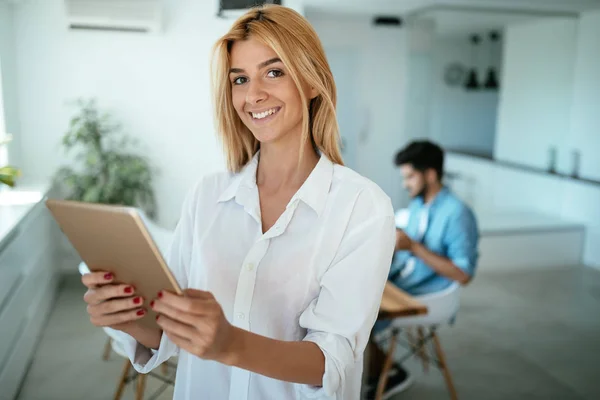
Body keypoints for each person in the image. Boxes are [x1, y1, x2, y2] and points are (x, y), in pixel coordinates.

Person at [80, 5, 396, 400]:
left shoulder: (362, 207)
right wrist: (127, 318)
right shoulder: (207, 194)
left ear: (313, 81)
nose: (253, 94)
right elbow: (167, 328)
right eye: (240, 79)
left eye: (274, 72)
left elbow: (333, 360)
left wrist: (230, 344)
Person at [367, 140, 479, 399]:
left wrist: (414, 247)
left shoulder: (457, 214)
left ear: (430, 174)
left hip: (430, 294)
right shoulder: (419, 204)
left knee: (360, 314)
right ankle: (384, 371)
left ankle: (386, 373)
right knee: (348, 297)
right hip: (405, 280)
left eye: (410, 177)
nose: (405, 184)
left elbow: (464, 275)